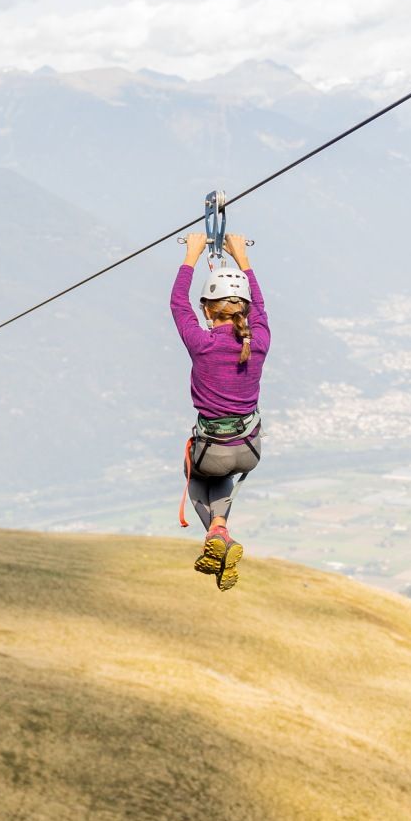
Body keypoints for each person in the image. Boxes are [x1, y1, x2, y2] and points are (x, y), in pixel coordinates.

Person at [171, 230, 269, 590]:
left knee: (197, 476)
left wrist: (191, 256)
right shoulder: (259, 342)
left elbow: (177, 304)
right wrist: (242, 257)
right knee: (222, 472)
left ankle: (219, 533)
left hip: (211, 451)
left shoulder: (202, 344)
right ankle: (220, 529)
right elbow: (260, 309)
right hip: (249, 450)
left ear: (208, 311)